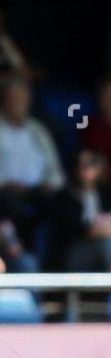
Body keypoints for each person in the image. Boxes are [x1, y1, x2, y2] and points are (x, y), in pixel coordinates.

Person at [0, 77, 64, 258]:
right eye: (13, 99)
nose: (17, 104)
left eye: (21, 99)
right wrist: (4, 185)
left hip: (37, 190)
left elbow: (54, 168)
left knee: (60, 203)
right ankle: (19, 255)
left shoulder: (38, 129)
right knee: (10, 205)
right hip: (5, 191)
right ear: (4, 101)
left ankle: (51, 262)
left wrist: (51, 184)